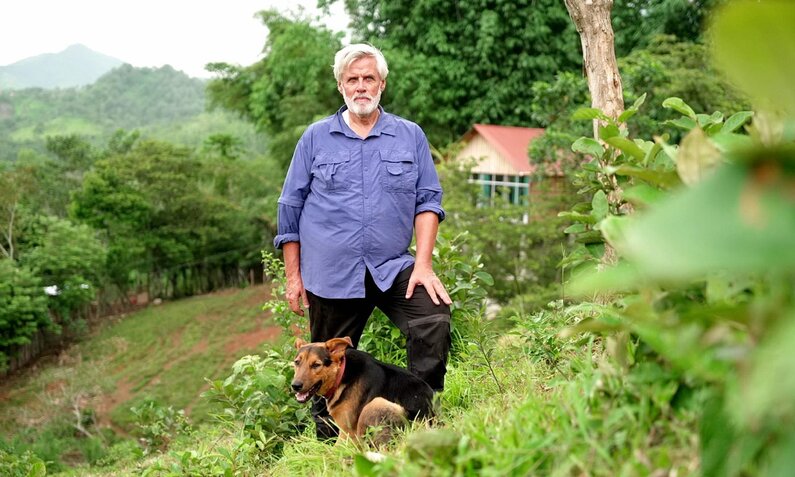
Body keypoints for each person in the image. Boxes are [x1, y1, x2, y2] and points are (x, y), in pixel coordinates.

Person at [273, 43, 452, 439]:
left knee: (432, 317)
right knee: (321, 364)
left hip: (392, 266)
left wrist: (423, 265)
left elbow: (428, 201)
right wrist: (293, 277)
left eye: (368, 78)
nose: (360, 86)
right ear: (340, 86)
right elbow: (290, 207)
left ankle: (420, 414)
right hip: (330, 273)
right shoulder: (316, 138)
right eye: (351, 79)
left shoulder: (410, 136)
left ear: (382, 84)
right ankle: (327, 442)